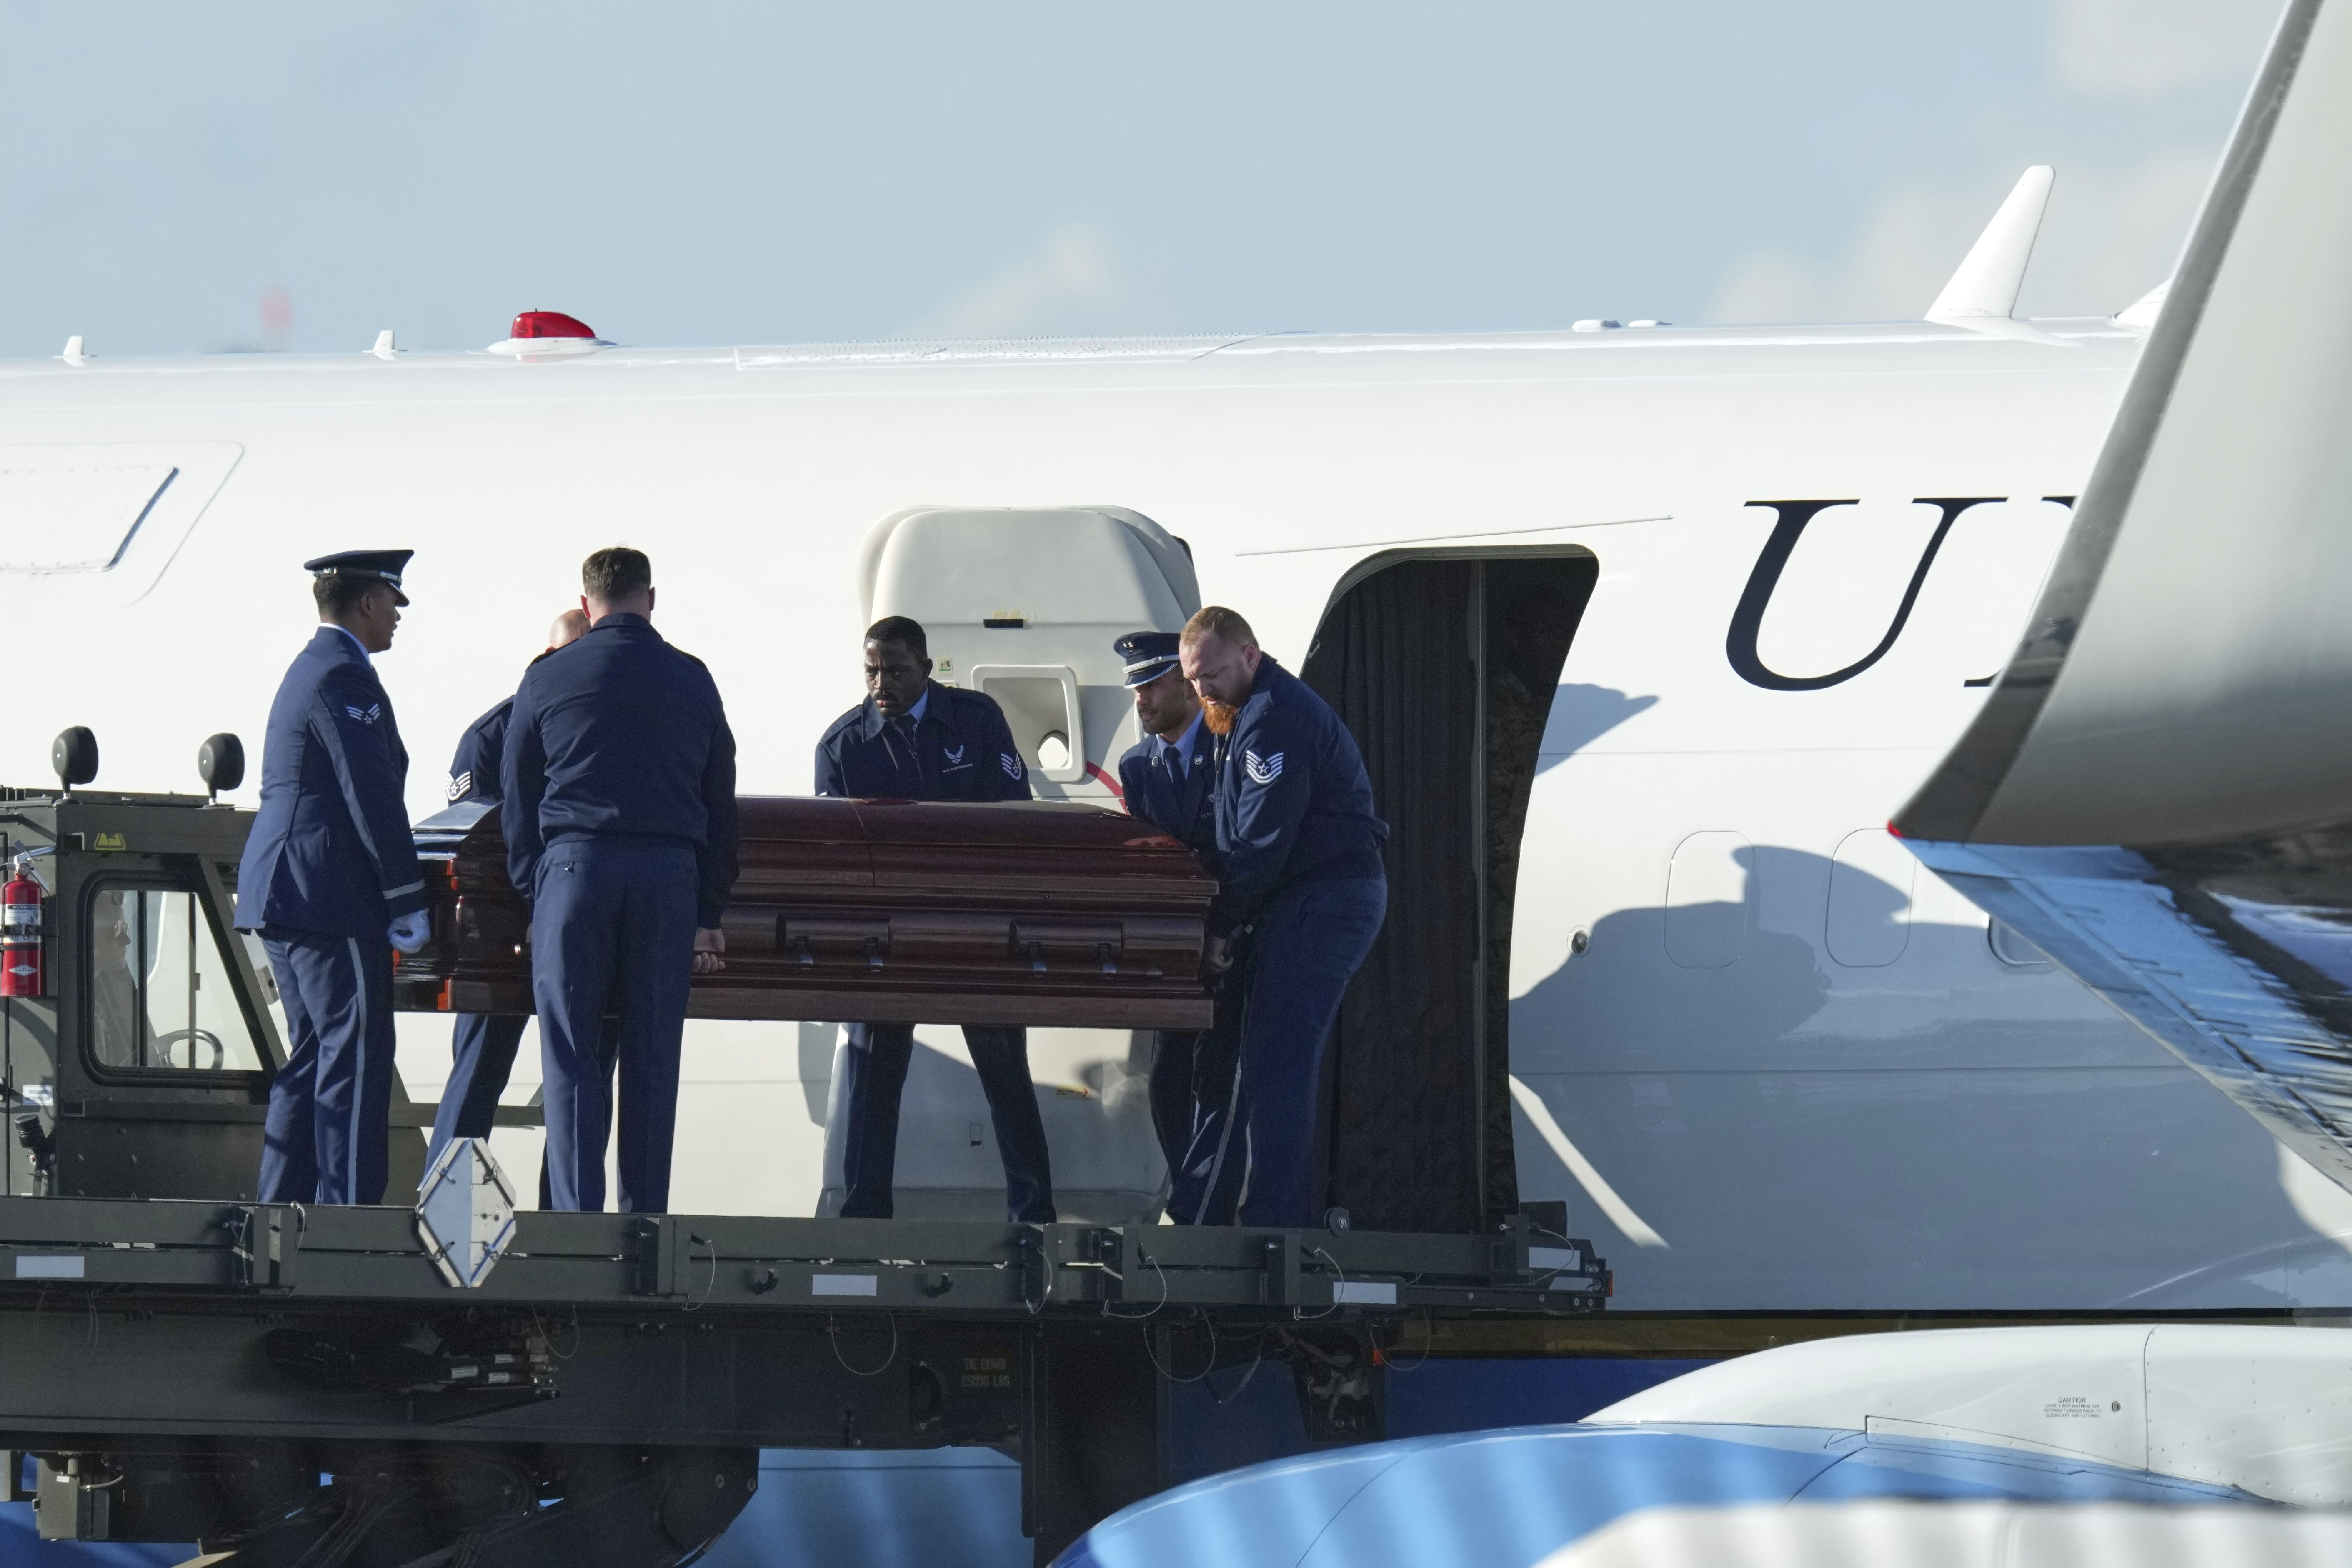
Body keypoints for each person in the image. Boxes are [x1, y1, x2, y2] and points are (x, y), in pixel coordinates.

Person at [502, 548, 737, 1214]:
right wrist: (710, 905)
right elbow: (721, 797)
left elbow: (518, 798)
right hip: (669, 878)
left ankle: (578, 1220)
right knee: (652, 1059)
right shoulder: (693, 680)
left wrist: (533, 890)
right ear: (651, 598)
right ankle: (644, 1221)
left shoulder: (548, 677)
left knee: (574, 1060)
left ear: (585, 605)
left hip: (576, 873)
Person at [814, 616, 1056, 1223]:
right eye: (871, 670)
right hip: (886, 938)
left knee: (1005, 1072)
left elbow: (1013, 818)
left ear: (926, 666)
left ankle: (1033, 1214)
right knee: (873, 1079)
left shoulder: (976, 720)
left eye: (895, 670)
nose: (881, 683)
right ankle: (865, 1217)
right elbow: (831, 855)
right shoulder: (843, 746)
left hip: (973, 929)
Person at [1179, 606, 1389, 1228]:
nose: (1201, 690)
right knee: (1275, 1062)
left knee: (1277, 1064)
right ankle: (1269, 1217)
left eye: (1211, 674)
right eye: (1192, 679)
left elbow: (1260, 844)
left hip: (1323, 899)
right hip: (1315, 897)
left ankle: (1274, 1225)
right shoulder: (1247, 715)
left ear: (1250, 654)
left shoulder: (1272, 721)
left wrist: (1222, 928)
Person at [236, 549, 431, 1206]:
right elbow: (370, 791)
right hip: (328, 896)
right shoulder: (342, 675)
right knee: (354, 1057)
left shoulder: (314, 668)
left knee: (314, 1057)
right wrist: (407, 894)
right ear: (369, 602)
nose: (399, 620)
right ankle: (349, 1226)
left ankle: (282, 1214)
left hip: (286, 890)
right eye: (394, 605)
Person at [425, 608, 588, 1183]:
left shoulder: (594, 726)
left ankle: (564, 1220)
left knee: (576, 1084)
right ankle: (444, 1202)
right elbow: (467, 836)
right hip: (502, 934)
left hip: (569, 922)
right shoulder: (492, 735)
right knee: (478, 1073)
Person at [1111, 630, 1247, 1224]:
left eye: (1152, 684)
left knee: (1220, 1079)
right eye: (1135, 688)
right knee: (1168, 1081)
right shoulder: (1138, 766)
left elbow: (1242, 850)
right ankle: (1195, 1204)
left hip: (1236, 937)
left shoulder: (1230, 748)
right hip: (1177, 951)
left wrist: (1224, 928)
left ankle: (1203, 1210)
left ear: (1188, 686)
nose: (1141, 699)